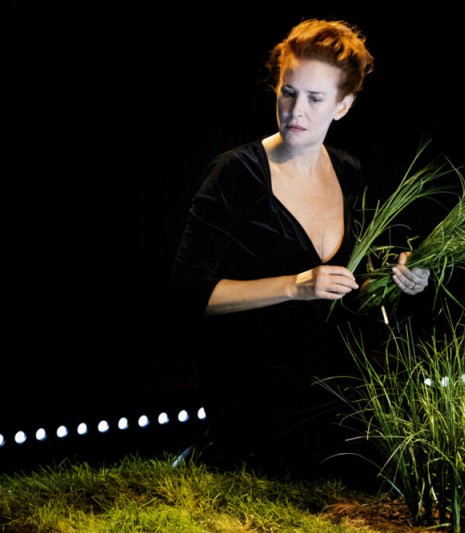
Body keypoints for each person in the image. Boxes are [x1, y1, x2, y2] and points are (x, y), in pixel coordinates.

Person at [170, 18, 429, 481]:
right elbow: (189, 294)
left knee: (421, 438)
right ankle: (218, 449)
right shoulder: (235, 173)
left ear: (343, 106)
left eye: (314, 98)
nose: (295, 111)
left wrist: (395, 282)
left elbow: (353, 293)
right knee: (374, 458)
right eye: (288, 92)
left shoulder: (350, 172)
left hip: (337, 373)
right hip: (255, 381)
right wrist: (295, 286)